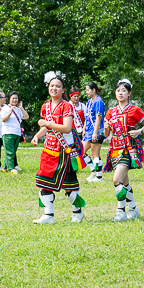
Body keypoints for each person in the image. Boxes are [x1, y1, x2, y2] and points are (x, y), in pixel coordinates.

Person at [30, 74, 85, 224]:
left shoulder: (67, 106)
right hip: (48, 149)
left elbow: (66, 128)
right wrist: (37, 135)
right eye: (52, 86)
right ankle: (48, 215)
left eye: (58, 86)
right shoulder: (45, 106)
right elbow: (47, 128)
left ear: (63, 90)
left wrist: (47, 124)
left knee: (69, 184)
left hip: (64, 151)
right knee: (42, 180)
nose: (54, 88)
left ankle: (77, 212)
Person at [104, 79, 144, 221]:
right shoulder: (111, 111)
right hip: (114, 150)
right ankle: (134, 209)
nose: (120, 93)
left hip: (129, 149)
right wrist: (106, 128)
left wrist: (139, 131)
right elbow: (106, 134)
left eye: (124, 90)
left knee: (116, 180)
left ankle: (121, 212)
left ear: (129, 93)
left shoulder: (135, 110)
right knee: (124, 182)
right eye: (118, 90)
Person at [83, 82, 106, 182]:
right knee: (80, 151)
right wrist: (84, 129)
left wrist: (95, 132)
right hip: (88, 131)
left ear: (94, 90)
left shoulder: (99, 101)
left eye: (88, 90)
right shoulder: (89, 101)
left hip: (97, 131)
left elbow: (98, 118)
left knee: (94, 153)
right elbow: (87, 117)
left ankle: (99, 177)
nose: (87, 92)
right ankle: (93, 171)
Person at [0, 91, 26, 173]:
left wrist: (21, 108)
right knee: (9, 152)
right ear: (9, 100)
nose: (15, 100)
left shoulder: (18, 109)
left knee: (13, 151)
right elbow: (3, 119)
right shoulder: (5, 108)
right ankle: (11, 168)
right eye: (13, 98)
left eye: (16, 98)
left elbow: (26, 117)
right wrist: (10, 112)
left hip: (17, 133)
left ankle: (4, 167)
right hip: (8, 133)